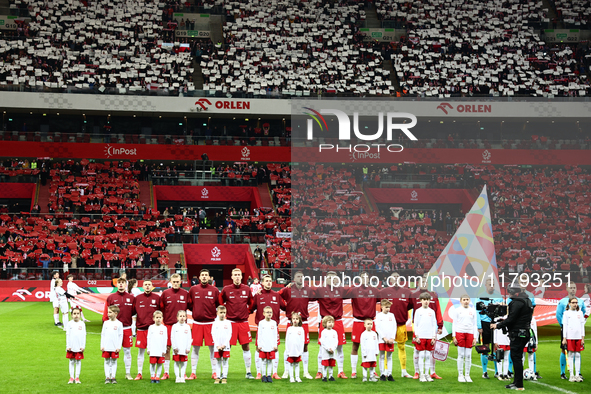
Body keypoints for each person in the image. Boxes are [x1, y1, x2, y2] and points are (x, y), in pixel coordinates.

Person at [491, 286, 534, 391]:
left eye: (511, 293)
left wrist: (498, 325)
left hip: (518, 333)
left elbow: (511, 319)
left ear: (516, 293)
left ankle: (519, 385)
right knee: (517, 357)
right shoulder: (528, 301)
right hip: (525, 331)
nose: (509, 295)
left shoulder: (517, 303)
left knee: (516, 358)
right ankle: (516, 382)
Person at [219, 268, 255, 379]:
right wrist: (224, 311)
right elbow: (220, 301)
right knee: (226, 347)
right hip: (230, 323)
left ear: (241, 276)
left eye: (239, 274)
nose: (237, 277)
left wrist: (248, 311)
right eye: (235, 275)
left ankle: (248, 372)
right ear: (232, 276)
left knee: (246, 347)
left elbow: (252, 303)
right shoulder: (226, 289)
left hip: (243, 322)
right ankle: (224, 372)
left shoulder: (247, 289)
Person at [343, 271, 379, 379]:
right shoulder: (354, 290)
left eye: (366, 277)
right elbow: (340, 294)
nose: (365, 279)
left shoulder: (374, 290)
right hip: (358, 321)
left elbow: (385, 298)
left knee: (372, 347)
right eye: (362, 277)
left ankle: (373, 370)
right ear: (359, 279)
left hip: (370, 321)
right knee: (355, 346)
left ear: (369, 279)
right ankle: (354, 371)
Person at [279, 270, 314, 379]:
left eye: (301, 277)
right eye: (298, 276)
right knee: (288, 346)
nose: (300, 278)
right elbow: (276, 295)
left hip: (304, 322)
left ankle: (305, 371)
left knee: (305, 346)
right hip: (291, 322)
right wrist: (284, 307)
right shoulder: (288, 289)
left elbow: (318, 296)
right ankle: (286, 371)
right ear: (294, 279)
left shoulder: (308, 290)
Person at [313, 271, 347, 379]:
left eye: (334, 278)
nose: (332, 280)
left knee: (340, 347)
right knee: (322, 348)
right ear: (326, 280)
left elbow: (356, 291)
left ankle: (341, 371)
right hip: (324, 322)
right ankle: (320, 371)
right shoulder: (320, 290)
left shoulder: (341, 290)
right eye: (330, 278)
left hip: (337, 321)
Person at [251, 274, 285, 380]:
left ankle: (274, 372)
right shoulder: (258, 295)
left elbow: (285, 307)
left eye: (270, 281)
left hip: (274, 328)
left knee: (275, 348)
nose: (269, 283)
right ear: (262, 283)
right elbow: (251, 308)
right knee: (258, 349)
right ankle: (259, 373)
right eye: (266, 281)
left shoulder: (277, 295)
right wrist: (254, 295)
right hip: (261, 328)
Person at [188, 268, 220, 380]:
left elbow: (218, 305)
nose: (204, 277)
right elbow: (189, 304)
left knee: (213, 349)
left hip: (211, 323)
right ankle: (193, 372)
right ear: (199, 277)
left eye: (206, 275)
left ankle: (215, 372)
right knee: (195, 348)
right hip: (197, 323)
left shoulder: (215, 290)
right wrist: (197, 311)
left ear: (209, 277)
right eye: (203, 275)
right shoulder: (193, 289)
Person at [380, 272, 413, 378]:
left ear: (400, 279)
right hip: (387, 326)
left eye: (397, 277)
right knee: (386, 348)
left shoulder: (407, 292)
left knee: (401, 347)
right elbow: (381, 306)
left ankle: (404, 371)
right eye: (393, 278)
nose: (395, 279)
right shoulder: (384, 291)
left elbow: (409, 305)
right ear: (390, 280)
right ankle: (385, 371)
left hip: (400, 325)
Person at [410, 274, 443, 379]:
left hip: (430, 329)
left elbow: (437, 311)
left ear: (428, 284)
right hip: (419, 328)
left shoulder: (433, 295)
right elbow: (407, 306)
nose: (424, 284)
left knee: (431, 351)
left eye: (425, 282)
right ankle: (417, 372)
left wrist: (440, 325)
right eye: (422, 282)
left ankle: (432, 372)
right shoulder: (414, 295)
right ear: (418, 284)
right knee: (417, 350)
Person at [102, 277, 135, 380]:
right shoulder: (111, 297)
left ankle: (128, 373)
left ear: (126, 284)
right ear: (116, 284)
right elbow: (106, 313)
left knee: (127, 351)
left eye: (123, 283)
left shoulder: (131, 298)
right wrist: (105, 323)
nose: (121, 284)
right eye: (119, 283)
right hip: (113, 329)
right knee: (111, 352)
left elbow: (134, 312)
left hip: (126, 328)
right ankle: (110, 375)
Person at [159, 273, 190, 380]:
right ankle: (166, 372)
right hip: (168, 325)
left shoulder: (186, 293)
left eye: (178, 282)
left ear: (181, 282)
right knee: (167, 348)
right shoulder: (165, 293)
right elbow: (161, 308)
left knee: (182, 348)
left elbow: (190, 306)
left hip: (182, 326)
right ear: (170, 282)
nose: (176, 283)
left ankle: (183, 372)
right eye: (174, 282)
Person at [556, 282, 587, 380]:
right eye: (571, 288)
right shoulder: (562, 301)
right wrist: (563, 325)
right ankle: (562, 372)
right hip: (566, 330)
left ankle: (578, 373)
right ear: (567, 289)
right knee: (564, 350)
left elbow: (584, 312)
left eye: (574, 287)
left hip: (577, 332)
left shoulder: (581, 301)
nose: (573, 289)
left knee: (578, 352)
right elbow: (558, 314)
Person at [133, 279, 160, 380]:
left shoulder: (157, 298)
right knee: (141, 352)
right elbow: (133, 312)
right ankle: (139, 373)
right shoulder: (138, 298)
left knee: (155, 352)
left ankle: (154, 374)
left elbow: (161, 312)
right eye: (145, 285)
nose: (147, 286)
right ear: (142, 286)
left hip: (154, 330)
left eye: (149, 284)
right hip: (141, 329)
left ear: (152, 286)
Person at [477, 278, 503, 379]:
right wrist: (479, 326)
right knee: (485, 346)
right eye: (489, 284)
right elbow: (477, 311)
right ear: (486, 285)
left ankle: (497, 371)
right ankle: (485, 372)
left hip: (496, 323)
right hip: (485, 323)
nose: (491, 286)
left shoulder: (499, 297)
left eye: (493, 284)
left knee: (496, 346)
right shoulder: (480, 296)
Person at [452, 295, 479, 383]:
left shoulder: (472, 311)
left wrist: (475, 337)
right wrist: (454, 336)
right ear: (461, 301)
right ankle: (460, 374)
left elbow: (475, 324)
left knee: (468, 355)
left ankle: (467, 374)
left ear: (470, 300)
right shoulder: (457, 310)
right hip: (460, 332)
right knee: (461, 355)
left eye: (467, 299)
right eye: (464, 300)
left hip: (470, 333)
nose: (466, 301)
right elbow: (454, 324)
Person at [413, 292, 437, 382]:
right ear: (421, 301)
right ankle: (421, 374)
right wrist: (417, 336)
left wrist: (433, 337)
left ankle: (427, 374)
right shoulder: (418, 311)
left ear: (430, 301)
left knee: (428, 356)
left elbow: (433, 324)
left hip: (429, 336)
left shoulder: (432, 311)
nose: (426, 301)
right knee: (421, 355)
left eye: (427, 300)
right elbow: (416, 324)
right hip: (421, 336)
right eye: (424, 300)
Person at [562, 297, 585, 382]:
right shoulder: (566, 313)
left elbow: (582, 326)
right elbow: (565, 325)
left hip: (578, 337)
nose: (575, 304)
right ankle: (571, 375)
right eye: (573, 302)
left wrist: (582, 338)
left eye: (576, 302)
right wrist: (564, 338)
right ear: (569, 303)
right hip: (570, 337)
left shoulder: (580, 313)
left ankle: (577, 375)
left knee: (578, 355)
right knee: (571, 355)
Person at [374, 299, 396, 381]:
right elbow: (377, 327)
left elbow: (394, 327)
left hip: (390, 339)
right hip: (382, 340)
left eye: (389, 307)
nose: (388, 309)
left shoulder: (392, 315)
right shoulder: (379, 316)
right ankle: (382, 374)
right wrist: (384, 337)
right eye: (386, 307)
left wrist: (392, 338)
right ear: (382, 307)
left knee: (389, 356)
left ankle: (389, 374)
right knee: (382, 356)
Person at [101, 305, 123, 384]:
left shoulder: (119, 324)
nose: (108, 314)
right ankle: (107, 377)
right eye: (108, 312)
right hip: (106, 346)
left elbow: (120, 336)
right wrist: (102, 345)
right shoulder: (106, 323)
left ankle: (113, 377)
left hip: (114, 347)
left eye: (110, 312)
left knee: (114, 361)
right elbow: (103, 334)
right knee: (106, 361)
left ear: (115, 313)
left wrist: (118, 347)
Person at [257, 306, 278, 383]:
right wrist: (259, 345)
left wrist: (275, 345)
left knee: (270, 361)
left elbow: (275, 334)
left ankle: (269, 375)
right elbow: (259, 334)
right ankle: (263, 375)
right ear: (264, 313)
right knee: (263, 361)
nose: (269, 314)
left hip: (271, 345)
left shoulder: (274, 323)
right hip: (263, 345)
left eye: (270, 312)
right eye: (267, 312)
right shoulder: (261, 323)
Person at [212, 305, 232, 384]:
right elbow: (213, 334)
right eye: (221, 312)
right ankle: (218, 377)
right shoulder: (215, 323)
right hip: (217, 346)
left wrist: (224, 345)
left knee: (225, 362)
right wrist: (217, 345)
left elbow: (229, 334)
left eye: (224, 312)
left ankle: (224, 377)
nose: (222, 314)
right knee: (218, 361)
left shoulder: (228, 323)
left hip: (225, 346)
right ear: (217, 313)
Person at [66, 307, 86, 384]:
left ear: (80, 315)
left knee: (78, 361)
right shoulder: (69, 324)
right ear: (71, 315)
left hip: (79, 346)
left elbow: (84, 335)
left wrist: (83, 346)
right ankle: (71, 377)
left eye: (78, 313)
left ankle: (77, 377)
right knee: (71, 361)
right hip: (71, 346)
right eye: (74, 313)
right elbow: (68, 335)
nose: (76, 315)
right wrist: (68, 346)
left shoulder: (82, 324)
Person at [171, 310, 192, 383]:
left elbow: (189, 338)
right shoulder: (174, 326)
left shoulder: (187, 327)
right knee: (177, 363)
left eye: (183, 316)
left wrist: (188, 348)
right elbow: (172, 337)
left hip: (184, 349)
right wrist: (174, 347)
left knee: (183, 363)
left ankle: (182, 377)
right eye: (180, 316)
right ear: (177, 317)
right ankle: (177, 377)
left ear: (186, 317)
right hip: (176, 349)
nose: (182, 318)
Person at [147, 311, 167, 384]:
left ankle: (157, 376)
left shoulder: (164, 328)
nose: (158, 319)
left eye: (160, 317)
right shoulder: (151, 327)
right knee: (152, 364)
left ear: (162, 318)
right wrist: (148, 348)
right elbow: (148, 338)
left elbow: (165, 339)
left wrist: (164, 349)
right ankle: (152, 376)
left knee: (159, 364)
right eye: (157, 317)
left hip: (160, 349)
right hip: (153, 349)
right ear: (153, 318)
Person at [285, 312, 305, 383]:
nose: (295, 320)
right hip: (291, 350)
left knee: (297, 364)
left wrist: (301, 351)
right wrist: (287, 350)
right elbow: (287, 340)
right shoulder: (289, 329)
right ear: (291, 320)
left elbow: (302, 340)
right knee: (290, 364)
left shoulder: (301, 329)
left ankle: (297, 377)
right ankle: (291, 377)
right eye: (293, 319)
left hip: (297, 350)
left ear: (299, 320)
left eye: (297, 319)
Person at [360, 318, 379, 383]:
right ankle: (364, 376)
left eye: (371, 324)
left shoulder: (374, 334)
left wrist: (377, 351)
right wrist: (364, 353)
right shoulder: (363, 334)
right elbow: (362, 344)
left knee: (372, 366)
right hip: (366, 353)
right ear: (364, 325)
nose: (370, 325)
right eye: (368, 324)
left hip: (373, 353)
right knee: (365, 366)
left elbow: (376, 343)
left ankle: (372, 377)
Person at [319, 315, 338, 382]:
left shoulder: (334, 332)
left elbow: (336, 341)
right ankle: (324, 376)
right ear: (325, 323)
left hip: (332, 351)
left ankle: (331, 376)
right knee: (325, 364)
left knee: (331, 364)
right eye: (329, 322)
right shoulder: (323, 332)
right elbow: (323, 342)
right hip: (326, 352)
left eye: (332, 322)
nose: (331, 324)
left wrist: (333, 348)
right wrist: (328, 349)